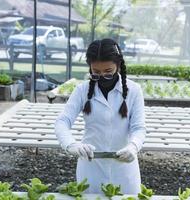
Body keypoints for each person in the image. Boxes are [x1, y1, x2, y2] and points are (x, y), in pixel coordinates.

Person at [55, 38, 146, 194]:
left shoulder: (134, 90)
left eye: (108, 72)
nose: (102, 76)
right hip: (91, 166)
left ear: (118, 66)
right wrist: (72, 145)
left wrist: (133, 146)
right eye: (96, 72)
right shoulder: (82, 90)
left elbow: (139, 127)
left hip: (124, 167)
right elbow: (62, 122)